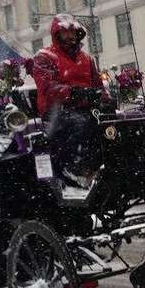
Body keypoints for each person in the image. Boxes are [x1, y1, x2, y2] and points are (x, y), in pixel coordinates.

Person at [32, 14, 109, 188]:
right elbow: (48, 88)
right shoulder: (44, 57)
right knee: (82, 123)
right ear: (56, 33)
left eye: (73, 31)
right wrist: (74, 93)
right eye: (65, 31)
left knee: (111, 124)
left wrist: (106, 100)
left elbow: (98, 85)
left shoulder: (87, 59)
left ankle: (105, 165)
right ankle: (74, 169)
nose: (70, 35)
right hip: (57, 111)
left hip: (85, 108)